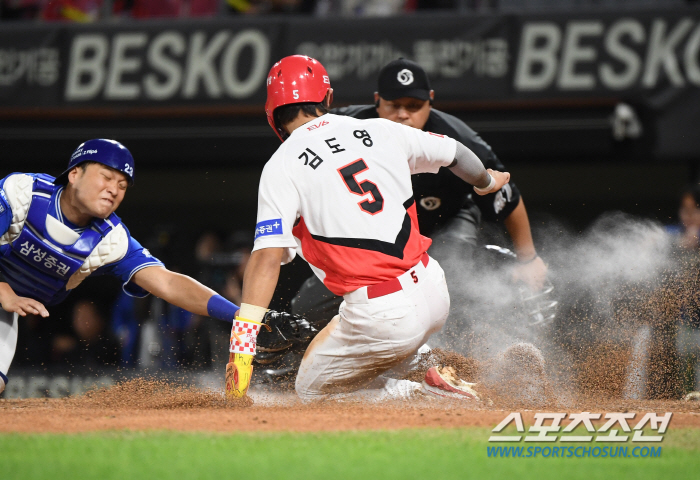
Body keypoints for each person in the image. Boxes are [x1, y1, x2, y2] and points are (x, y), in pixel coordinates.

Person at [229, 55, 510, 401]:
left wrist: (241, 347)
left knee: (312, 392)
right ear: (327, 98)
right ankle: (457, 370)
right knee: (382, 350)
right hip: (433, 288)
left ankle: (421, 394)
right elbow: (456, 153)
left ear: (272, 113)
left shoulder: (281, 165)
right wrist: (485, 181)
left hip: (379, 313)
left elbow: (267, 258)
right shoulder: (379, 127)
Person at [286, 57, 549, 369]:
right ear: (376, 102)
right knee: (307, 306)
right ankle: (298, 368)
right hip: (378, 233)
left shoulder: (459, 138)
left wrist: (529, 258)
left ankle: (458, 362)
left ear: (430, 102)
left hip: (445, 221)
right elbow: (297, 142)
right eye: (394, 104)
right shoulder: (346, 126)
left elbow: (506, 198)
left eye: (414, 105)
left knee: (451, 271)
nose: (403, 114)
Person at [0, 139, 241, 395]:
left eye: (122, 185)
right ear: (74, 174)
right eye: (106, 177)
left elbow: (167, 283)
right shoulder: (23, 193)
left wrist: (241, 316)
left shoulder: (111, 240)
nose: (114, 190)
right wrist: (3, 290)